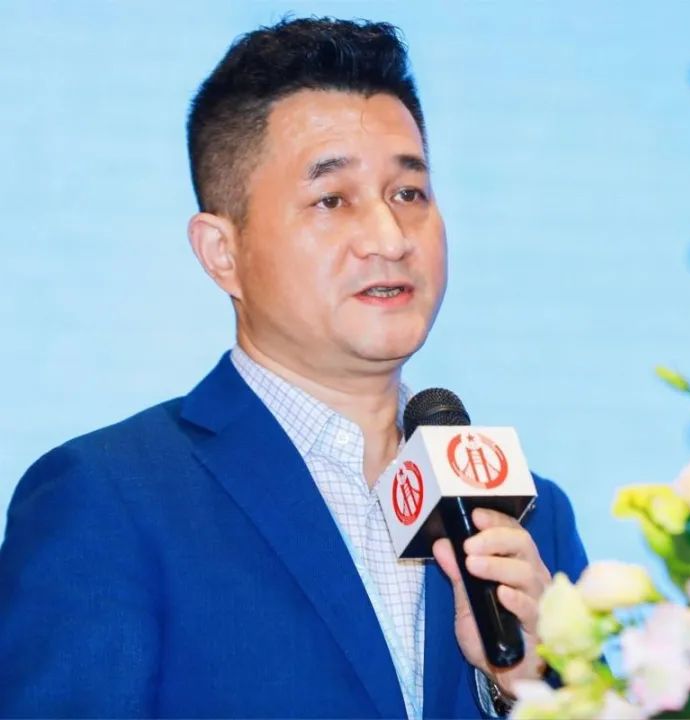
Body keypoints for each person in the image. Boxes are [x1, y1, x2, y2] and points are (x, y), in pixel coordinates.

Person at [0, 17, 588, 719]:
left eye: (409, 194)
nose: (389, 238)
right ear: (222, 252)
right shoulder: (109, 499)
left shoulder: (532, 516)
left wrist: (525, 685)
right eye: (332, 200)